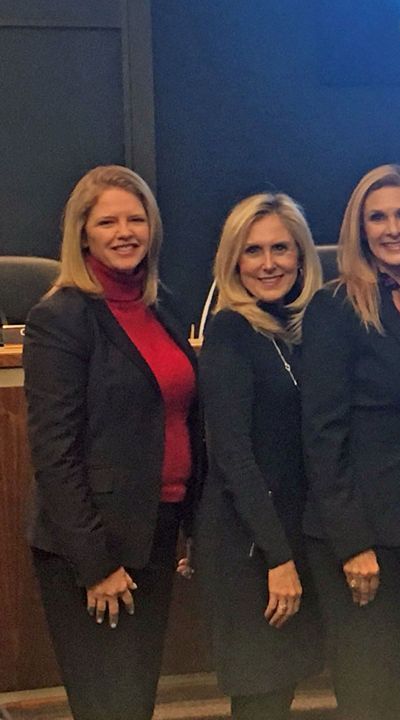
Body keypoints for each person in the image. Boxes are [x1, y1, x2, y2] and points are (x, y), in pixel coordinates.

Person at [24, 165, 199, 720]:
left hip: (154, 528)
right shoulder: (62, 318)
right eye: (107, 222)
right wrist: (96, 565)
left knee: (135, 700)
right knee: (108, 706)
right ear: (82, 233)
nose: (124, 231)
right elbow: (54, 454)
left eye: (135, 217)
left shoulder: (159, 304)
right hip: (94, 547)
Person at [298, 164, 400, 720]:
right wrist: (352, 543)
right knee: (367, 698)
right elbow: (321, 434)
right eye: (376, 217)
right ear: (358, 230)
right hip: (360, 537)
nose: (392, 229)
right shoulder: (335, 307)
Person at [195, 192, 324, 719]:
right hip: (250, 547)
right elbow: (233, 456)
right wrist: (279, 558)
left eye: (280, 249)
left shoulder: (297, 329)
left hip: (285, 533)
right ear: (233, 261)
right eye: (253, 251)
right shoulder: (229, 331)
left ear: (301, 257)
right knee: (260, 696)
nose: (268, 263)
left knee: (279, 688)